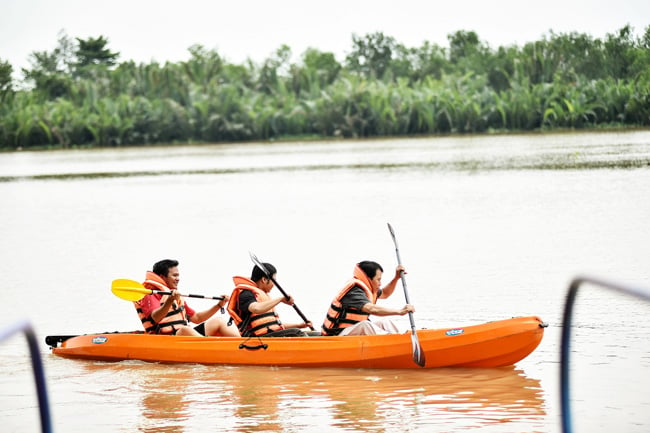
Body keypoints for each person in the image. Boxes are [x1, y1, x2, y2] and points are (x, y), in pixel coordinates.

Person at [135, 259, 240, 337]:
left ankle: (240, 346)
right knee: (185, 330)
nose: (178, 279)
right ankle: (211, 349)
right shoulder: (150, 293)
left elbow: (197, 318)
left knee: (219, 321)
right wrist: (169, 301)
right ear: (162, 277)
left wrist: (218, 306)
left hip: (183, 335)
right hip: (166, 339)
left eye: (178, 276)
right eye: (174, 276)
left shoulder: (174, 295)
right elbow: (155, 318)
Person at [321, 260, 415, 336]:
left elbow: (385, 293)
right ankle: (392, 340)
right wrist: (399, 312)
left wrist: (396, 278)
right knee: (365, 325)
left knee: (385, 322)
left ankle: (404, 337)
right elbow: (371, 308)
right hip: (336, 336)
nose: (380, 283)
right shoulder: (354, 291)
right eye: (378, 279)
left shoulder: (369, 288)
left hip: (350, 333)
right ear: (369, 279)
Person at [227, 263, 312, 337]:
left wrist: (299, 325)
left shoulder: (263, 295)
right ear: (264, 280)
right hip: (257, 339)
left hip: (270, 335)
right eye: (274, 281)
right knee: (296, 333)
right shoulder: (246, 294)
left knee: (316, 334)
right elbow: (256, 309)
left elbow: (275, 326)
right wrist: (280, 299)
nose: (274, 284)